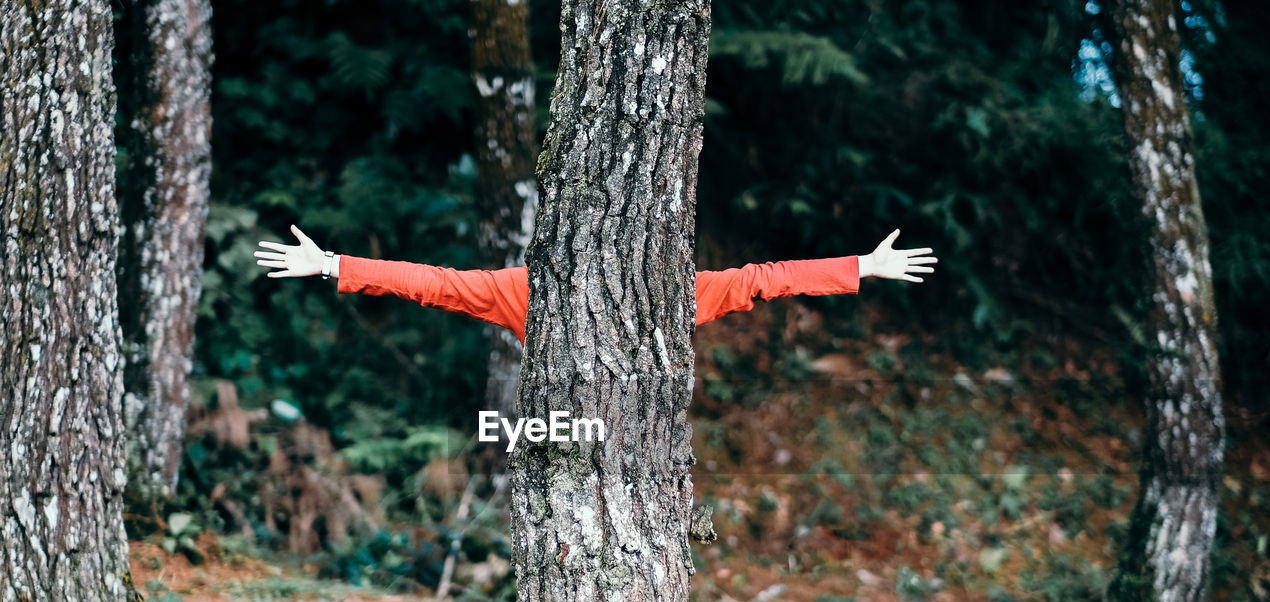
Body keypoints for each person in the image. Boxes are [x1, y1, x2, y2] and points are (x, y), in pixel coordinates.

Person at [255, 226, 936, 342]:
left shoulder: (671, 295)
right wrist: (333, 265)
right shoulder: (524, 292)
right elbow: (434, 283)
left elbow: (763, 280)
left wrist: (861, 268)